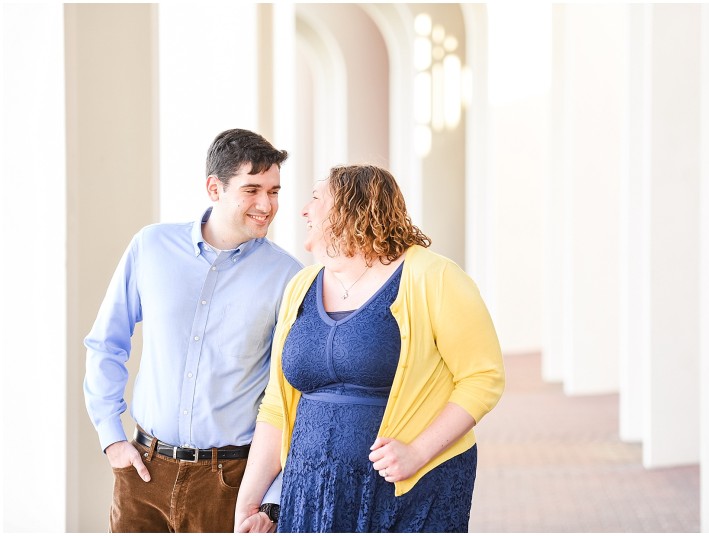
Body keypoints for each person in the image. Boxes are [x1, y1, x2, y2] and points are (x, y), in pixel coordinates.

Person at [234, 164, 505, 533]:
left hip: (409, 492)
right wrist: (251, 501)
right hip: (312, 491)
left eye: (316, 199)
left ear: (351, 209)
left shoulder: (434, 277)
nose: (304, 211)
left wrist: (417, 453)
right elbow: (277, 406)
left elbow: (482, 378)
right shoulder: (301, 285)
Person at [84, 128, 303, 533]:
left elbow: (292, 396)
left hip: (230, 482)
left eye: (274, 191)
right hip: (143, 474)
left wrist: (271, 498)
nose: (266, 204)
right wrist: (111, 437)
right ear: (214, 188)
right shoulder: (151, 247)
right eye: (252, 189)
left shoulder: (289, 277)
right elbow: (106, 343)